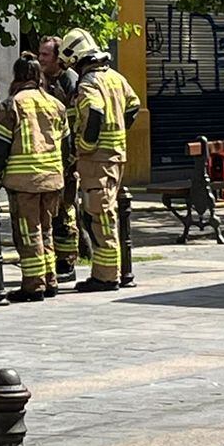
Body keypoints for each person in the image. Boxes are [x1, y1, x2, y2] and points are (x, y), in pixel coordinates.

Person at [66, 28, 141, 293]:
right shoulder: (116, 78)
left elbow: (94, 112)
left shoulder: (89, 83)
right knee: (105, 213)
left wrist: (85, 146)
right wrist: (119, 130)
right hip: (116, 156)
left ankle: (106, 276)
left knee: (99, 216)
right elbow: (133, 106)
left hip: (97, 160)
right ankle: (108, 272)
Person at [0, 53, 69, 301]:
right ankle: (50, 279)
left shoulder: (10, 105)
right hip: (53, 179)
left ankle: (34, 285)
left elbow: (0, 146)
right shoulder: (56, 104)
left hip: (24, 182)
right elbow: (66, 146)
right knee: (46, 230)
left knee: (28, 233)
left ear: (17, 76)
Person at [37, 34, 82, 283]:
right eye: (40, 54)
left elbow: (74, 124)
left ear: (58, 57)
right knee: (51, 212)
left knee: (65, 210)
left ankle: (67, 262)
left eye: (45, 54)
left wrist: (71, 159)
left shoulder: (70, 80)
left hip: (66, 157)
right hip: (49, 155)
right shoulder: (41, 79)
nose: (41, 58)